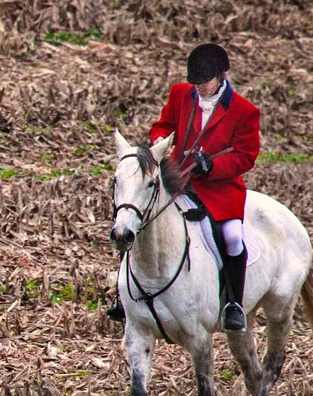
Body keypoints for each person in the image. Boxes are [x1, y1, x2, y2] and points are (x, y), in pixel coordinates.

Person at [109, 43, 260, 331]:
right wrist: (159, 141)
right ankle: (123, 295)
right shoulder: (181, 93)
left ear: (220, 77)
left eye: (205, 83)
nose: (200, 88)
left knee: (231, 237)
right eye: (196, 83)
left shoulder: (244, 111)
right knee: (137, 217)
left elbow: (246, 156)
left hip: (218, 191)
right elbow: (162, 125)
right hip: (178, 180)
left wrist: (212, 167)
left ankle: (234, 304)